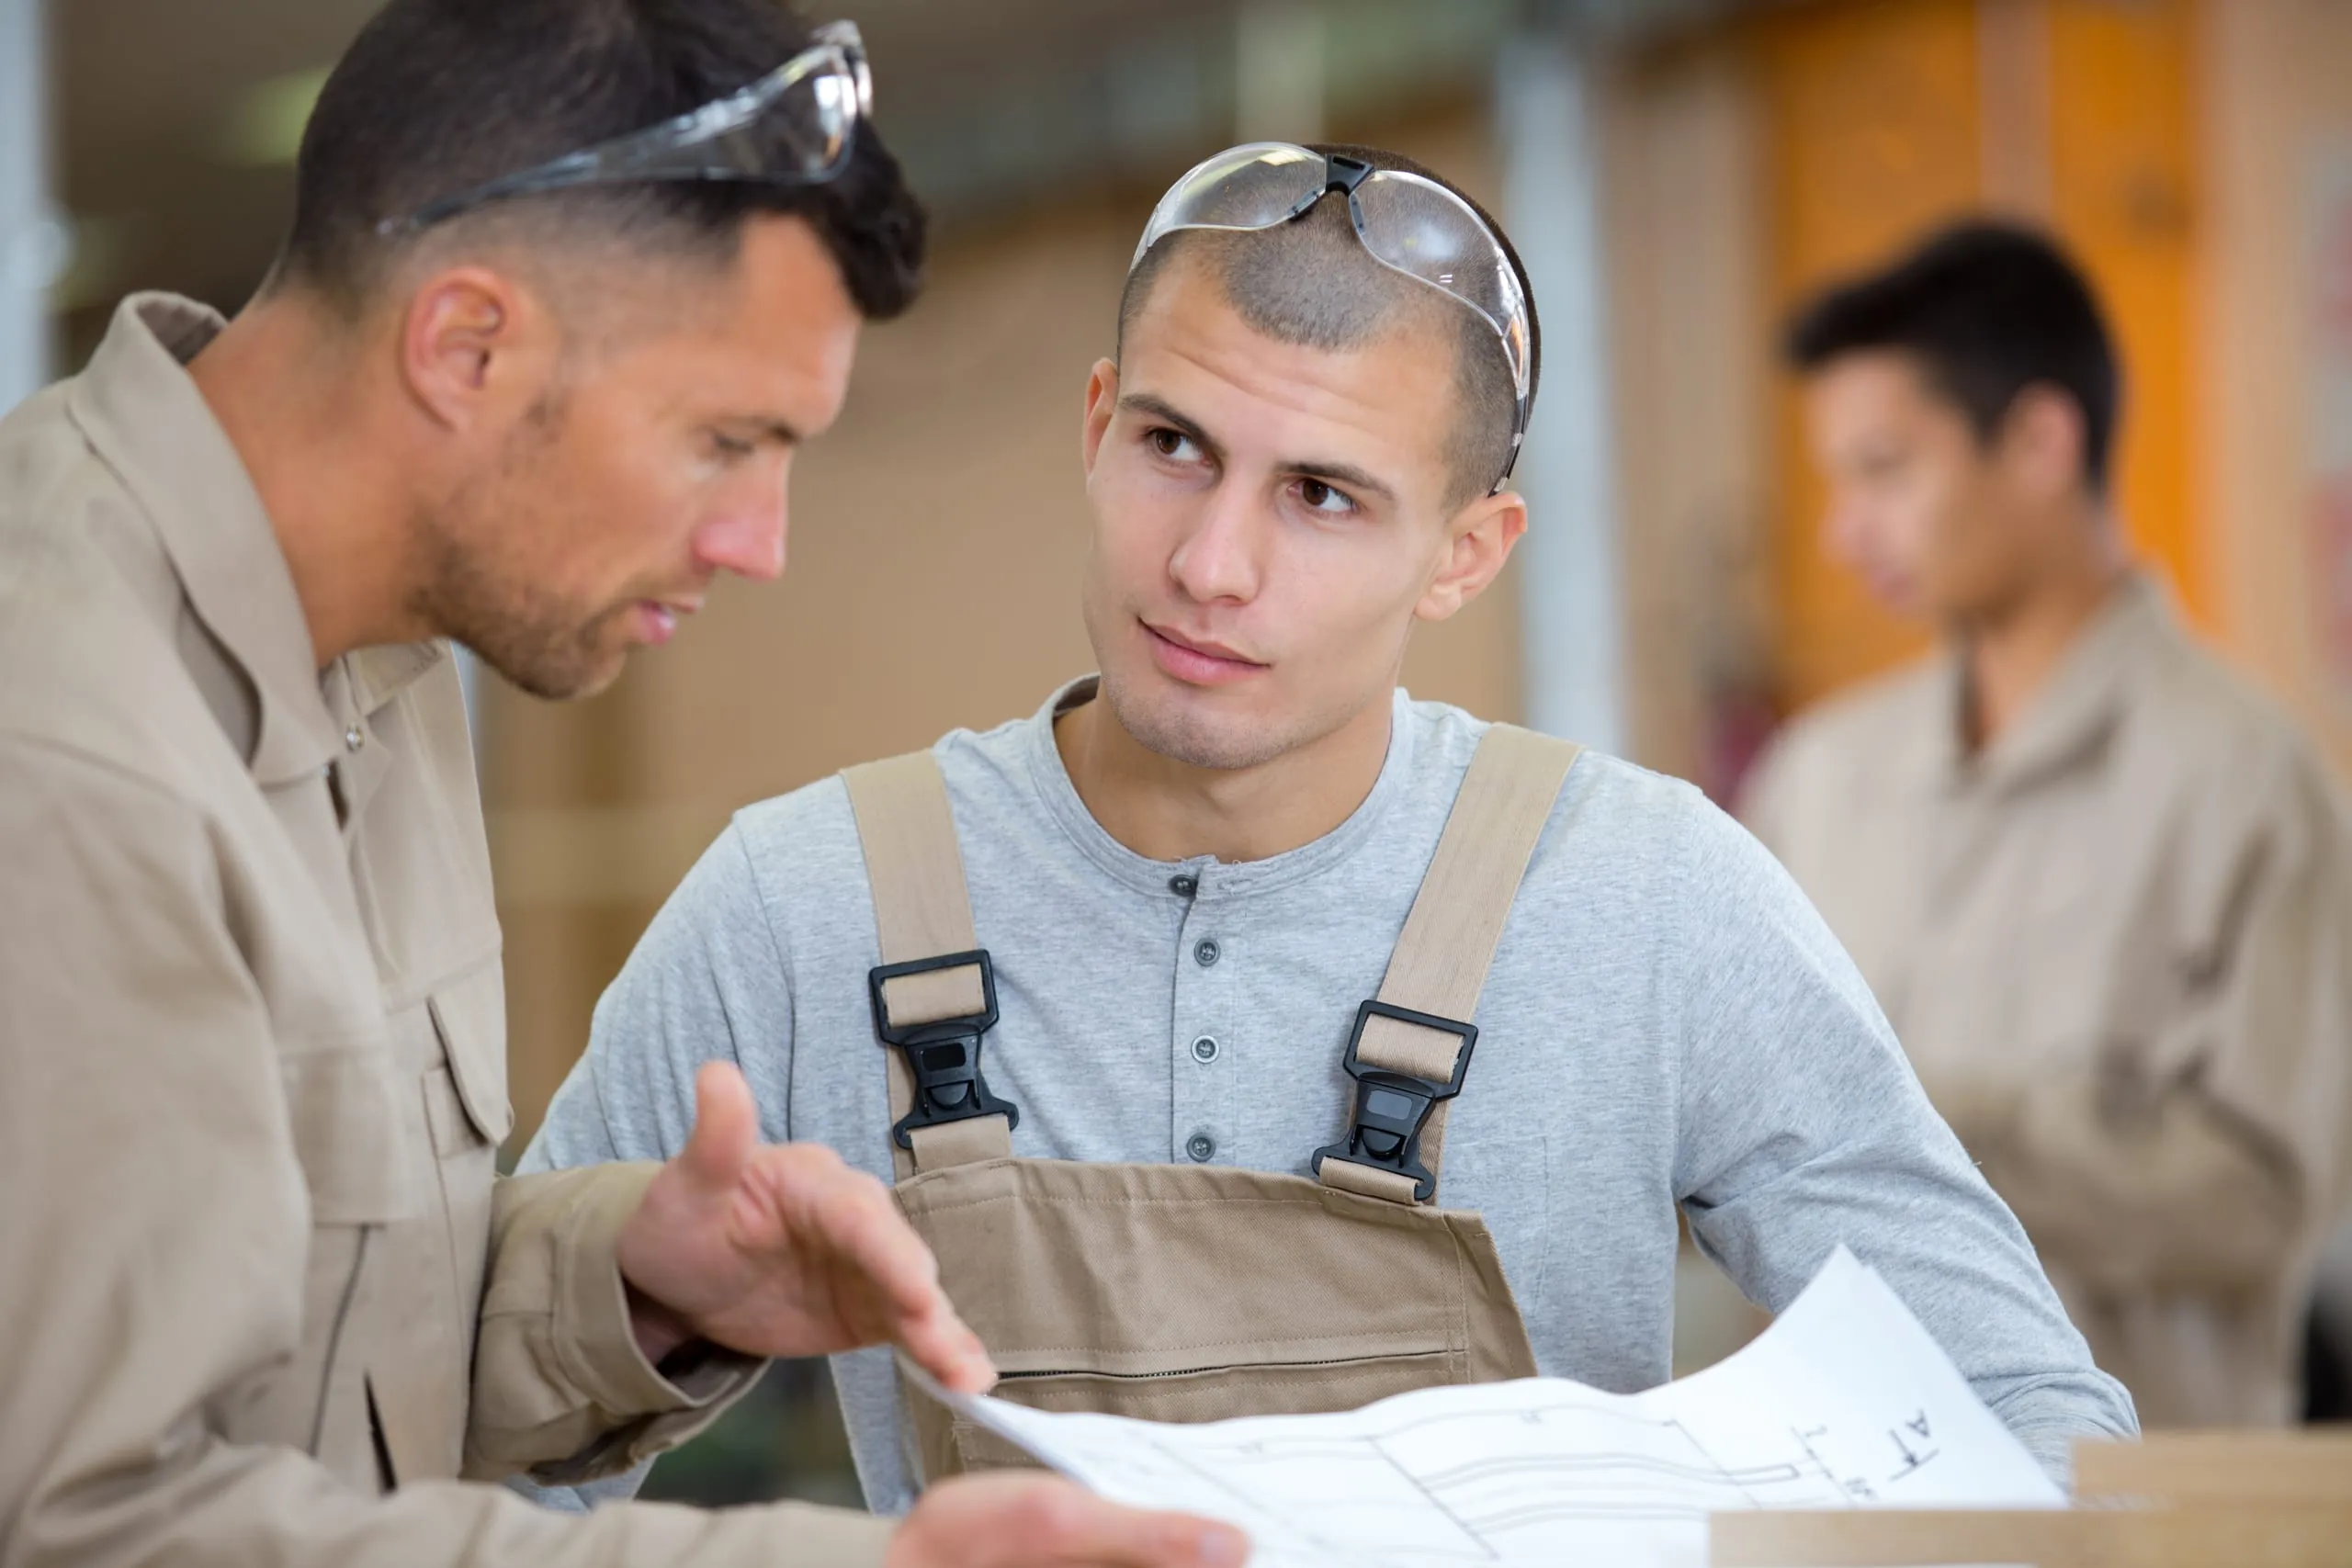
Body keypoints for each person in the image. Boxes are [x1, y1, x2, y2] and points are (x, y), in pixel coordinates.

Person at [519, 141, 2136, 1517]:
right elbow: (462, 1466)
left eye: (1324, 495)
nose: (1213, 564)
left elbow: (2040, 1435)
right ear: (1095, 428)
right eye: (1174, 448)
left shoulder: (1652, 900)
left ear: (1469, 551)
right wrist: (643, 1320)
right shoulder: (804, 907)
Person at [0, 2, 1247, 1565]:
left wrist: (632, 1285)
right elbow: (95, 1523)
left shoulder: (381, 655)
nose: (761, 541)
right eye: (726, 438)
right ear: (469, 345)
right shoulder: (59, 747)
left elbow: (308, 1347)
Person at [1744, 220, 2352, 1427]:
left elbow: (2267, 1193)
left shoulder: (2243, 776)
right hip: (1848, 1487)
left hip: (2133, 1498)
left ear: (2038, 439)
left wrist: (1920, 1122)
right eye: (1837, 480)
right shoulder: (1821, 774)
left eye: (1885, 470)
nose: (1842, 529)